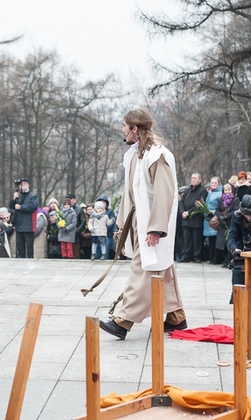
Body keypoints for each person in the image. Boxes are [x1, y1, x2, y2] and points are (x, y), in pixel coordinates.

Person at [99, 108, 187, 340]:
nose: (122, 130)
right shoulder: (133, 155)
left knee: (143, 268)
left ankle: (123, 320)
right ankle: (176, 316)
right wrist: (122, 223)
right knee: (161, 266)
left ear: (134, 129)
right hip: (139, 221)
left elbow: (164, 193)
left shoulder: (158, 155)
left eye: (124, 126)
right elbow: (129, 193)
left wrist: (156, 228)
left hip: (153, 224)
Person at [178, 172, 208, 263]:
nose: (193, 180)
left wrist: (189, 212)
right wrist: (182, 212)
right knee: (186, 239)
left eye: (195, 178)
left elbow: (200, 204)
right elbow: (181, 202)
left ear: (200, 180)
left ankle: (196, 256)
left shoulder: (202, 191)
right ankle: (185, 255)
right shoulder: (187, 190)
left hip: (196, 219)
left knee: (196, 239)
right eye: (192, 178)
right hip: (186, 219)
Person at [8, 178, 39, 258]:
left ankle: (30, 261)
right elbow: (11, 206)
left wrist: (21, 207)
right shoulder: (19, 195)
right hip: (19, 226)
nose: (23, 185)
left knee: (29, 247)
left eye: (25, 183)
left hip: (28, 225)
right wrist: (14, 198)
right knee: (19, 246)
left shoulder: (33, 196)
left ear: (28, 185)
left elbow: (33, 207)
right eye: (21, 184)